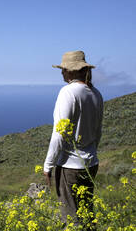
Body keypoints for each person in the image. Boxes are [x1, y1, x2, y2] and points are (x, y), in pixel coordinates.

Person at [43, 51, 103, 226]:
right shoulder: (96, 93)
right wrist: (91, 153)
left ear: (71, 71)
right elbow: (98, 131)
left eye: (64, 69)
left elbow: (59, 134)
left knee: (71, 219)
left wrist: (48, 165)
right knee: (87, 215)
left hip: (70, 167)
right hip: (91, 164)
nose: (62, 72)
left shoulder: (68, 92)